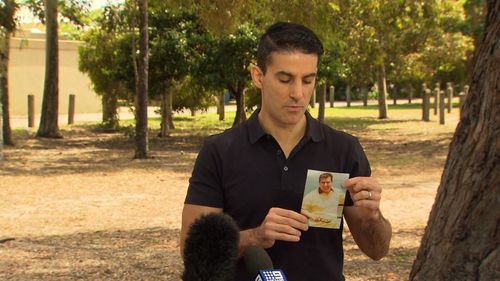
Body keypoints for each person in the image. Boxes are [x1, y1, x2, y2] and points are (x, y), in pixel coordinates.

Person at [181, 22, 392, 281]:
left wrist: (373, 216)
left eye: (308, 80)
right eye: (285, 79)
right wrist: (253, 236)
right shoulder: (220, 151)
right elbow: (192, 251)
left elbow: (377, 250)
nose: (298, 93)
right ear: (258, 76)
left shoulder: (343, 150)